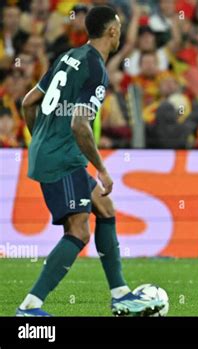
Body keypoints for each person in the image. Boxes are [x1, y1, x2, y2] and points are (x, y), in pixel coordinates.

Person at [17, 5, 164, 317]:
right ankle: (30, 306)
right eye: (120, 27)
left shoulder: (69, 56)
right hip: (63, 158)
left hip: (53, 152)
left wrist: (42, 139)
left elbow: (28, 101)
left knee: (105, 209)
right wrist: (103, 168)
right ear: (112, 31)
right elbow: (79, 125)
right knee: (79, 231)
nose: (120, 32)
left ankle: (121, 294)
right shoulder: (95, 69)